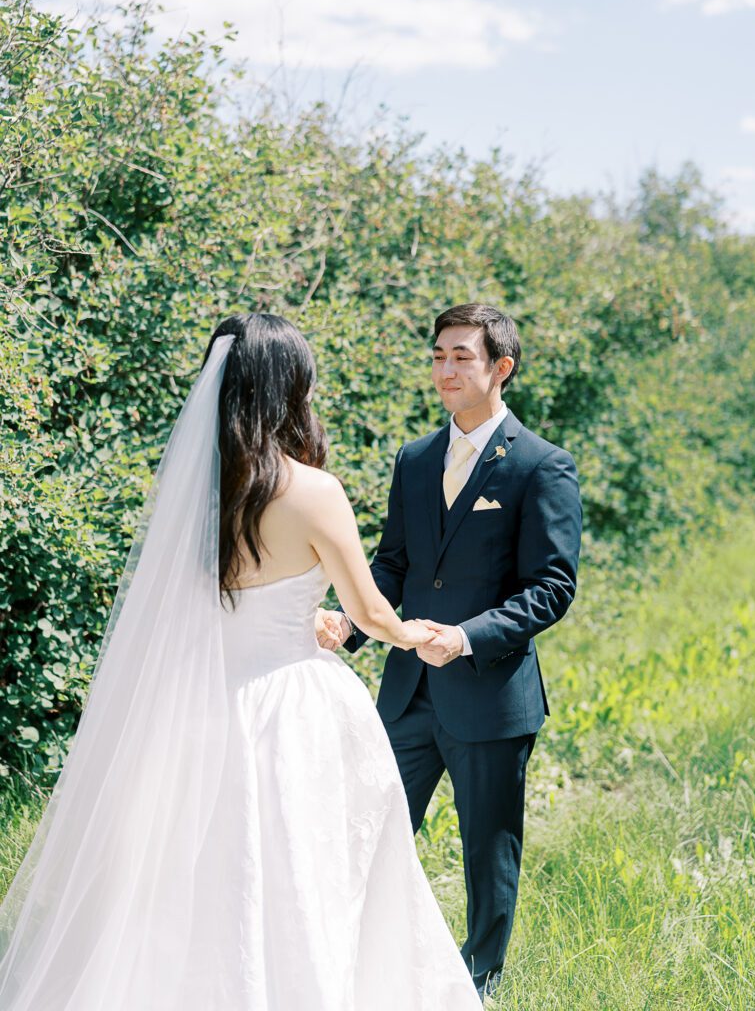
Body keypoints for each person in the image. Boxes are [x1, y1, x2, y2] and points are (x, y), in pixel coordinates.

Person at [0, 313, 481, 1010]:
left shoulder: (197, 491)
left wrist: (296, 611)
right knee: (303, 867)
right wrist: (422, 637)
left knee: (199, 873)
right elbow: (371, 614)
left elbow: (202, 602)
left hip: (200, 703)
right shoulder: (314, 492)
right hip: (291, 705)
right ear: (290, 389)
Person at [318, 302, 582, 1002]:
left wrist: (465, 639)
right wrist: (347, 618)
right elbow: (394, 564)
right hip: (405, 692)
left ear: (501, 367)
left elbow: (552, 588)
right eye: (437, 355)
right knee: (368, 833)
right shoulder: (414, 458)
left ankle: (477, 988)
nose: (444, 369)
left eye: (460, 357)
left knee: (487, 857)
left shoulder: (541, 466)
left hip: (490, 696)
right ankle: (353, 973)